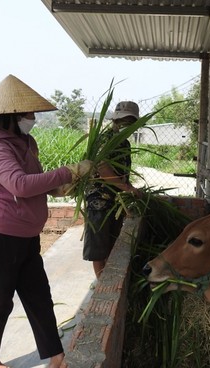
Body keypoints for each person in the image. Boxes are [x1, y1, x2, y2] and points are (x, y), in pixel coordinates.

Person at [0, 74, 91, 368]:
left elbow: (34, 181)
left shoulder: (26, 142)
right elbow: (19, 185)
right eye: (28, 113)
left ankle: (56, 355)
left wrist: (60, 187)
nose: (32, 118)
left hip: (26, 237)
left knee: (39, 296)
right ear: (11, 115)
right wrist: (67, 172)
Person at [83, 101, 140, 278]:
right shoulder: (105, 139)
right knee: (99, 247)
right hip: (99, 201)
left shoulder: (125, 144)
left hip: (116, 202)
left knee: (111, 242)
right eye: (123, 121)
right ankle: (100, 282)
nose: (126, 125)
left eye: (130, 122)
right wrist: (127, 188)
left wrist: (126, 193)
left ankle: (108, 276)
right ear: (115, 120)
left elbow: (123, 173)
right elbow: (103, 168)